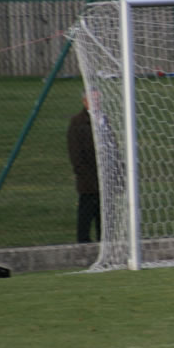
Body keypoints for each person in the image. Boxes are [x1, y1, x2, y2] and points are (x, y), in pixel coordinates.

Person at [67, 90, 100, 243]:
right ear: (84, 102)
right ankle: (83, 246)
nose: (97, 103)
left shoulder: (103, 120)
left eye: (98, 99)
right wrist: (84, 174)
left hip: (104, 179)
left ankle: (105, 243)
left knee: (104, 216)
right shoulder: (77, 122)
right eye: (93, 99)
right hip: (88, 179)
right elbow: (75, 154)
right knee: (86, 213)